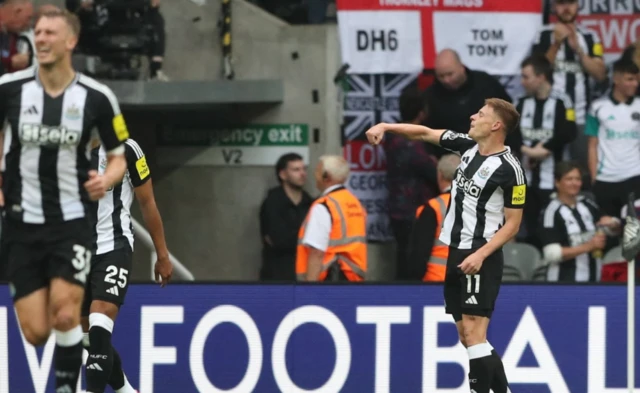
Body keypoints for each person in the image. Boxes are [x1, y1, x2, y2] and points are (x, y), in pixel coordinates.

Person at [0, 9, 129, 393]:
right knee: (37, 331)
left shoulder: (99, 98)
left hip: (72, 221)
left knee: (66, 311)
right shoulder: (9, 89)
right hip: (21, 224)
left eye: (49, 32)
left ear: (70, 41)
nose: (39, 38)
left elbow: (120, 154)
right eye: (37, 32)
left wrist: (106, 178)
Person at [366, 98, 525, 393]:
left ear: (496, 125)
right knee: (466, 335)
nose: (472, 116)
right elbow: (425, 133)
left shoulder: (510, 170)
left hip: (481, 254)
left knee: (476, 333)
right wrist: (386, 126)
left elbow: (513, 224)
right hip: (456, 251)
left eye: (480, 114)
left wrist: (481, 254)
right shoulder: (466, 146)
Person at [82, 138, 172, 393]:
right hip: (76, 254)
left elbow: (147, 202)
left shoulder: (128, 150)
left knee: (99, 326)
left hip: (114, 248)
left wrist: (162, 254)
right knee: (88, 338)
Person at [532, 0, 607, 169]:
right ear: (553, 7)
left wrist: (578, 49)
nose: (566, 8)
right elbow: (537, 72)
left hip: (581, 115)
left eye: (571, 2)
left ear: (578, 5)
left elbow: (600, 74)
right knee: (549, 167)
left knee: (581, 168)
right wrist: (556, 43)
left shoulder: (589, 36)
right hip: (549, 116)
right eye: (561, 3)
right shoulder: (543, 34)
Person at [514, 54, 577, 248]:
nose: (522, 82)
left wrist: (547, 148)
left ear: (541, 77)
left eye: (526, 77)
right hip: (525, 180)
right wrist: (528, 151)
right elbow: (509, 133)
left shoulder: (562, 100)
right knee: (527, 226)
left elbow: (569, 131)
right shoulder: (521, 102)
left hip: (553, 179)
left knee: (552, 226)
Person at [383, 86, 438, 280]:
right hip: (412, 209)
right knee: (412, 256)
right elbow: (431, 171)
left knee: (403, 253)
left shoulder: (393, 136)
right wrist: (435, 163)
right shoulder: (410, 142)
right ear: (422, 113)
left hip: (397, 207)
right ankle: (409, 293)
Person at [540, 161, 620, 282]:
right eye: (569, 179)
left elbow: (607, 228)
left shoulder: (588, 204)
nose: (574, 183)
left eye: (577, 179)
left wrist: (614, 224)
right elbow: (551, 253)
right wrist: (589, 246)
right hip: (563, 283)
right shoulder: (551, 212)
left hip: (594, 280)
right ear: (557, 182)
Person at [422, 49, 512, 156]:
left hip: (492, 150)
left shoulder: (486, 84)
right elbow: (426, 132)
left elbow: (508, 115)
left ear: (461, 67)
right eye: (441, 76)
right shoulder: (431, 96)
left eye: (450, 74)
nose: (446, 80)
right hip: (450, 155)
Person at [296, 155, 367, 281]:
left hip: (329, 278)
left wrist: (308, 290)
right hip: (353, 278)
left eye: (317, 171)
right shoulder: (355, 203)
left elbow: (317, 252)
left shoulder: (324, 206)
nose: (314, 175)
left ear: (326, 177)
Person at [586, 59, 640, 218]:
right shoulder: (598, 108)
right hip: (606, 179)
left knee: (634, 232)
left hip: (635, 176)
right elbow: (592, 145)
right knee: (609, 230)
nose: (635, 84)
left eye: (636, 79)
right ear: (616, 80)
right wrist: (594, 178)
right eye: (630, 79)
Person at [259, 153, 312, 281]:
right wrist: (305, 238)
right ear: (283, 174)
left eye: (303, 169)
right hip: (277, 275)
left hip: (305, 274)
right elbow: (277, 240)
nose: (302, 173)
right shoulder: (272, 202)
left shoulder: (310, 203)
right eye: (296, 170)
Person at [407, 154, 460, 281]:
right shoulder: (477, 206)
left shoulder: (433, 208)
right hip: (468, 282)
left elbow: (420, 253)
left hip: (435, 282)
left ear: (440, 175)